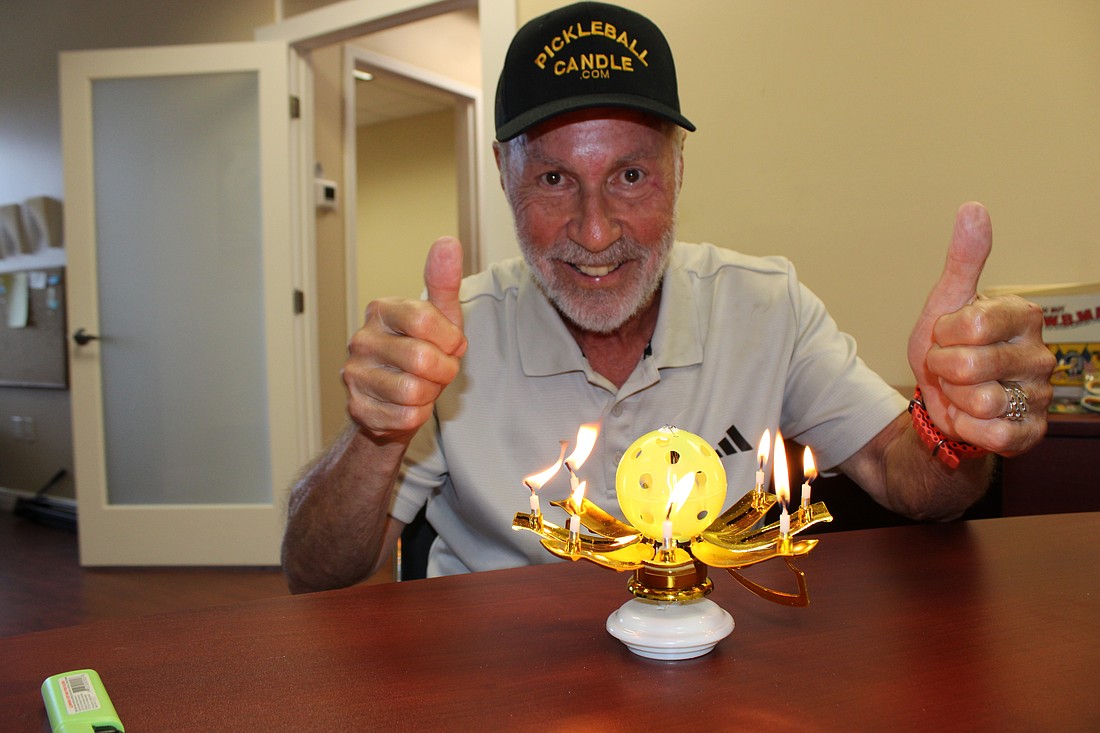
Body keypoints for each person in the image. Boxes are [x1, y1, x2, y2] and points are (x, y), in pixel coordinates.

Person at [281, 2, 1054, 593]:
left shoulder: (766, 305)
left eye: (631, 175)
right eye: (553, 178)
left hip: (717, 672)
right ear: (503, 173)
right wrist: (374, 438)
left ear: (678, 168)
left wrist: (956, 430)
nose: (594, 231)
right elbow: (316, 571)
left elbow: (912, 480)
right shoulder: (451, 338)